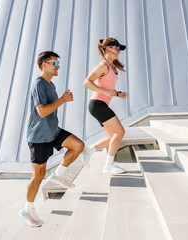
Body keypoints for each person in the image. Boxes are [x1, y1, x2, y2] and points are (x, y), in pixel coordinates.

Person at [19, 51, 85, 227]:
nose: (58, 67)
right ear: (44, 64)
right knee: (38, 176)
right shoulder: (38, 85)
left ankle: (59, 174)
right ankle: (28, 209)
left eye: (58, 63)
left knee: (78, 145)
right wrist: (63, 100)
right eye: (55, 63)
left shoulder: (51, 85)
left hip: (53, 132)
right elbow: (41, 112)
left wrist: (61, 99)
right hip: (39, 137)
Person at [82, 37, 127, 174]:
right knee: (120, 132)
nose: (119, 51)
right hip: (97, 104)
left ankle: (89, 151)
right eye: (116, 48)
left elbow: (106, 86)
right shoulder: (103, 66)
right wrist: (105, 92)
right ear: (107, 48)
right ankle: (108, 166)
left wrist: (118, 94)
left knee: (114, 135)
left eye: (120, 49)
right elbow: (87, 82)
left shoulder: (112, 66)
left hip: (100, 104)